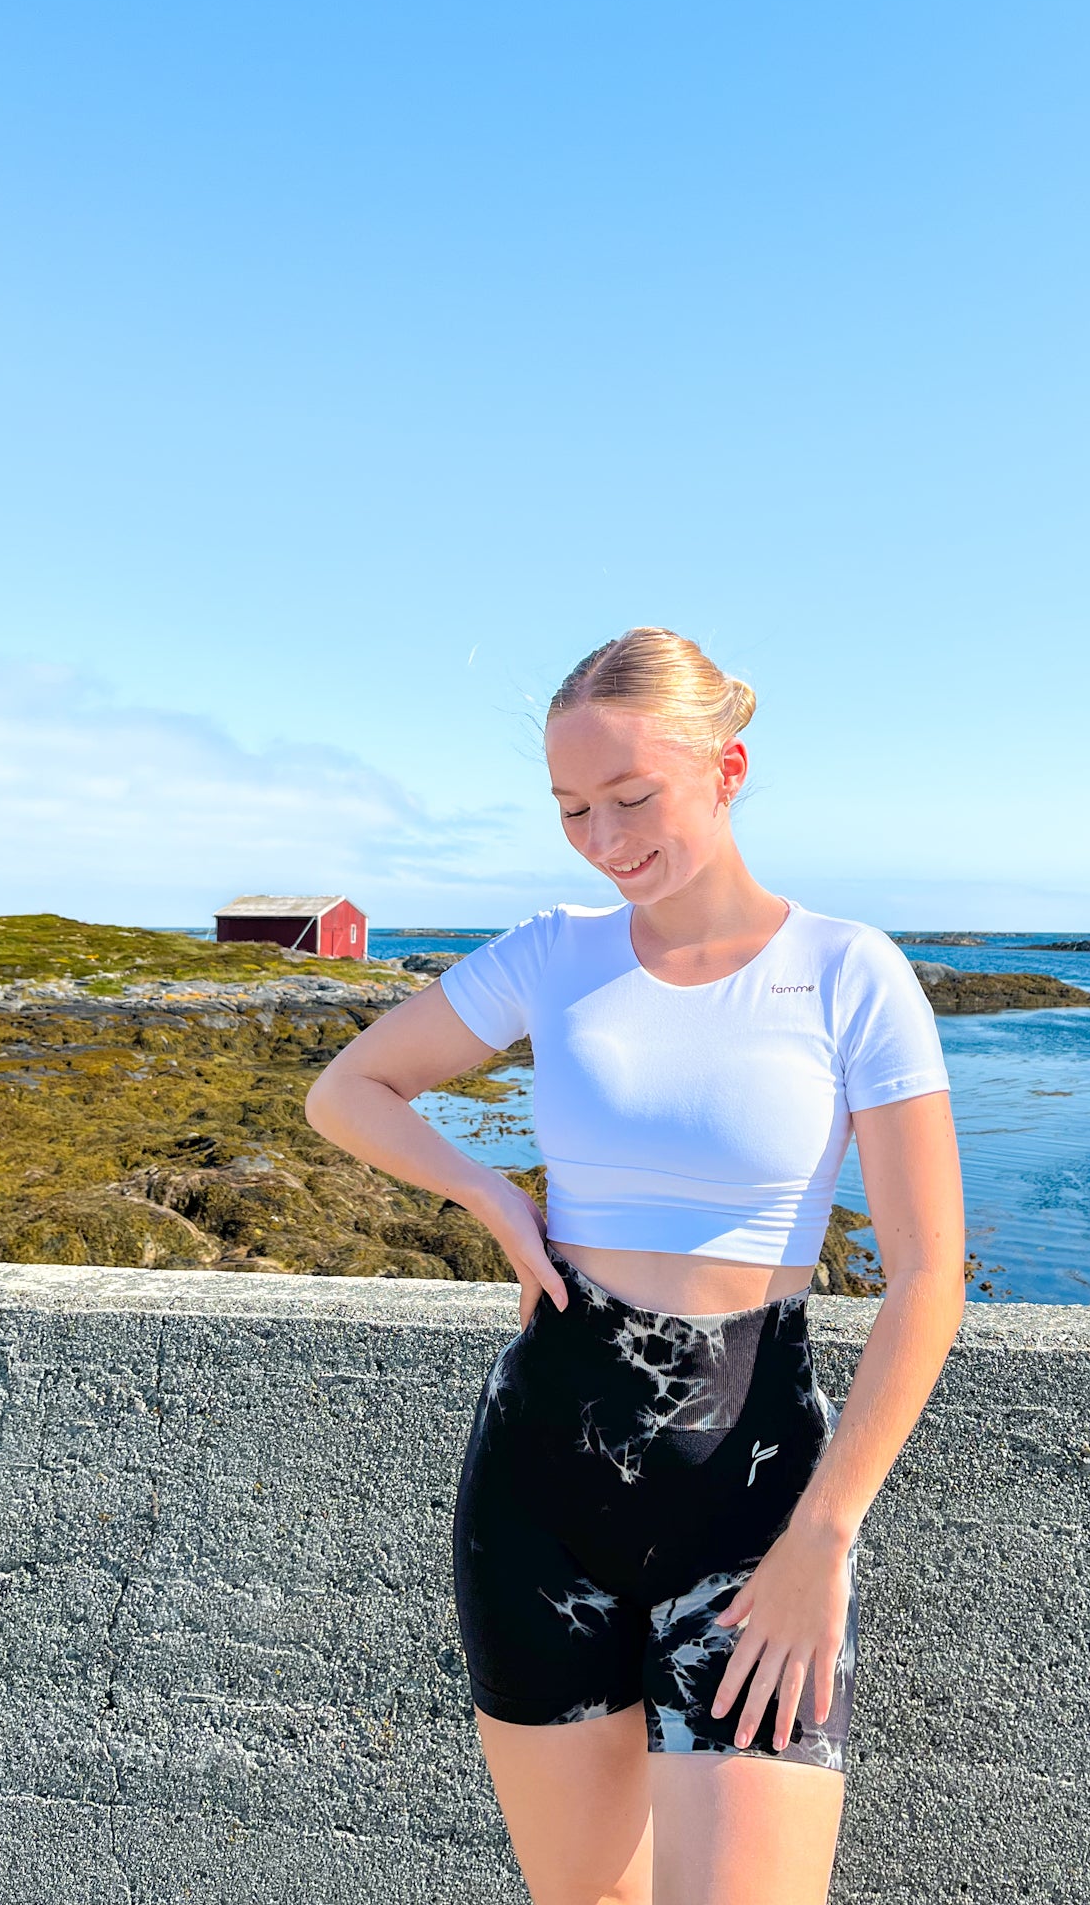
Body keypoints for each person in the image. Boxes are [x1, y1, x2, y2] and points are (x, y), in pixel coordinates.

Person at [305, 625, 966, 1905]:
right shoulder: (559, 952)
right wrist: (492, 1194)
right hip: (539, 1484)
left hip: (755, 1491)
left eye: (631, 796)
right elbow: (351, 1090)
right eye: (571, 808)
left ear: (728, 767)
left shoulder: (848, 972)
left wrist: (823, 1535)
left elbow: (930, 1273)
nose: (604, 838)